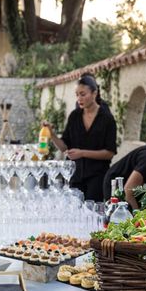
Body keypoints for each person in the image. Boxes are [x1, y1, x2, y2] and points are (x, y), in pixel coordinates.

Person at [45, 74, 117, 202]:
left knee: (93, 216)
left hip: (97, 177)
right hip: (74, 176)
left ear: (94, 93)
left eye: (83, 94)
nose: (79, 98)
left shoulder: (107, 119)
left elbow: (109, 153)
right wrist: (51, 134)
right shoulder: (74, 116)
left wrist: (82, 153)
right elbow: (64, 147)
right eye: (77, 94)